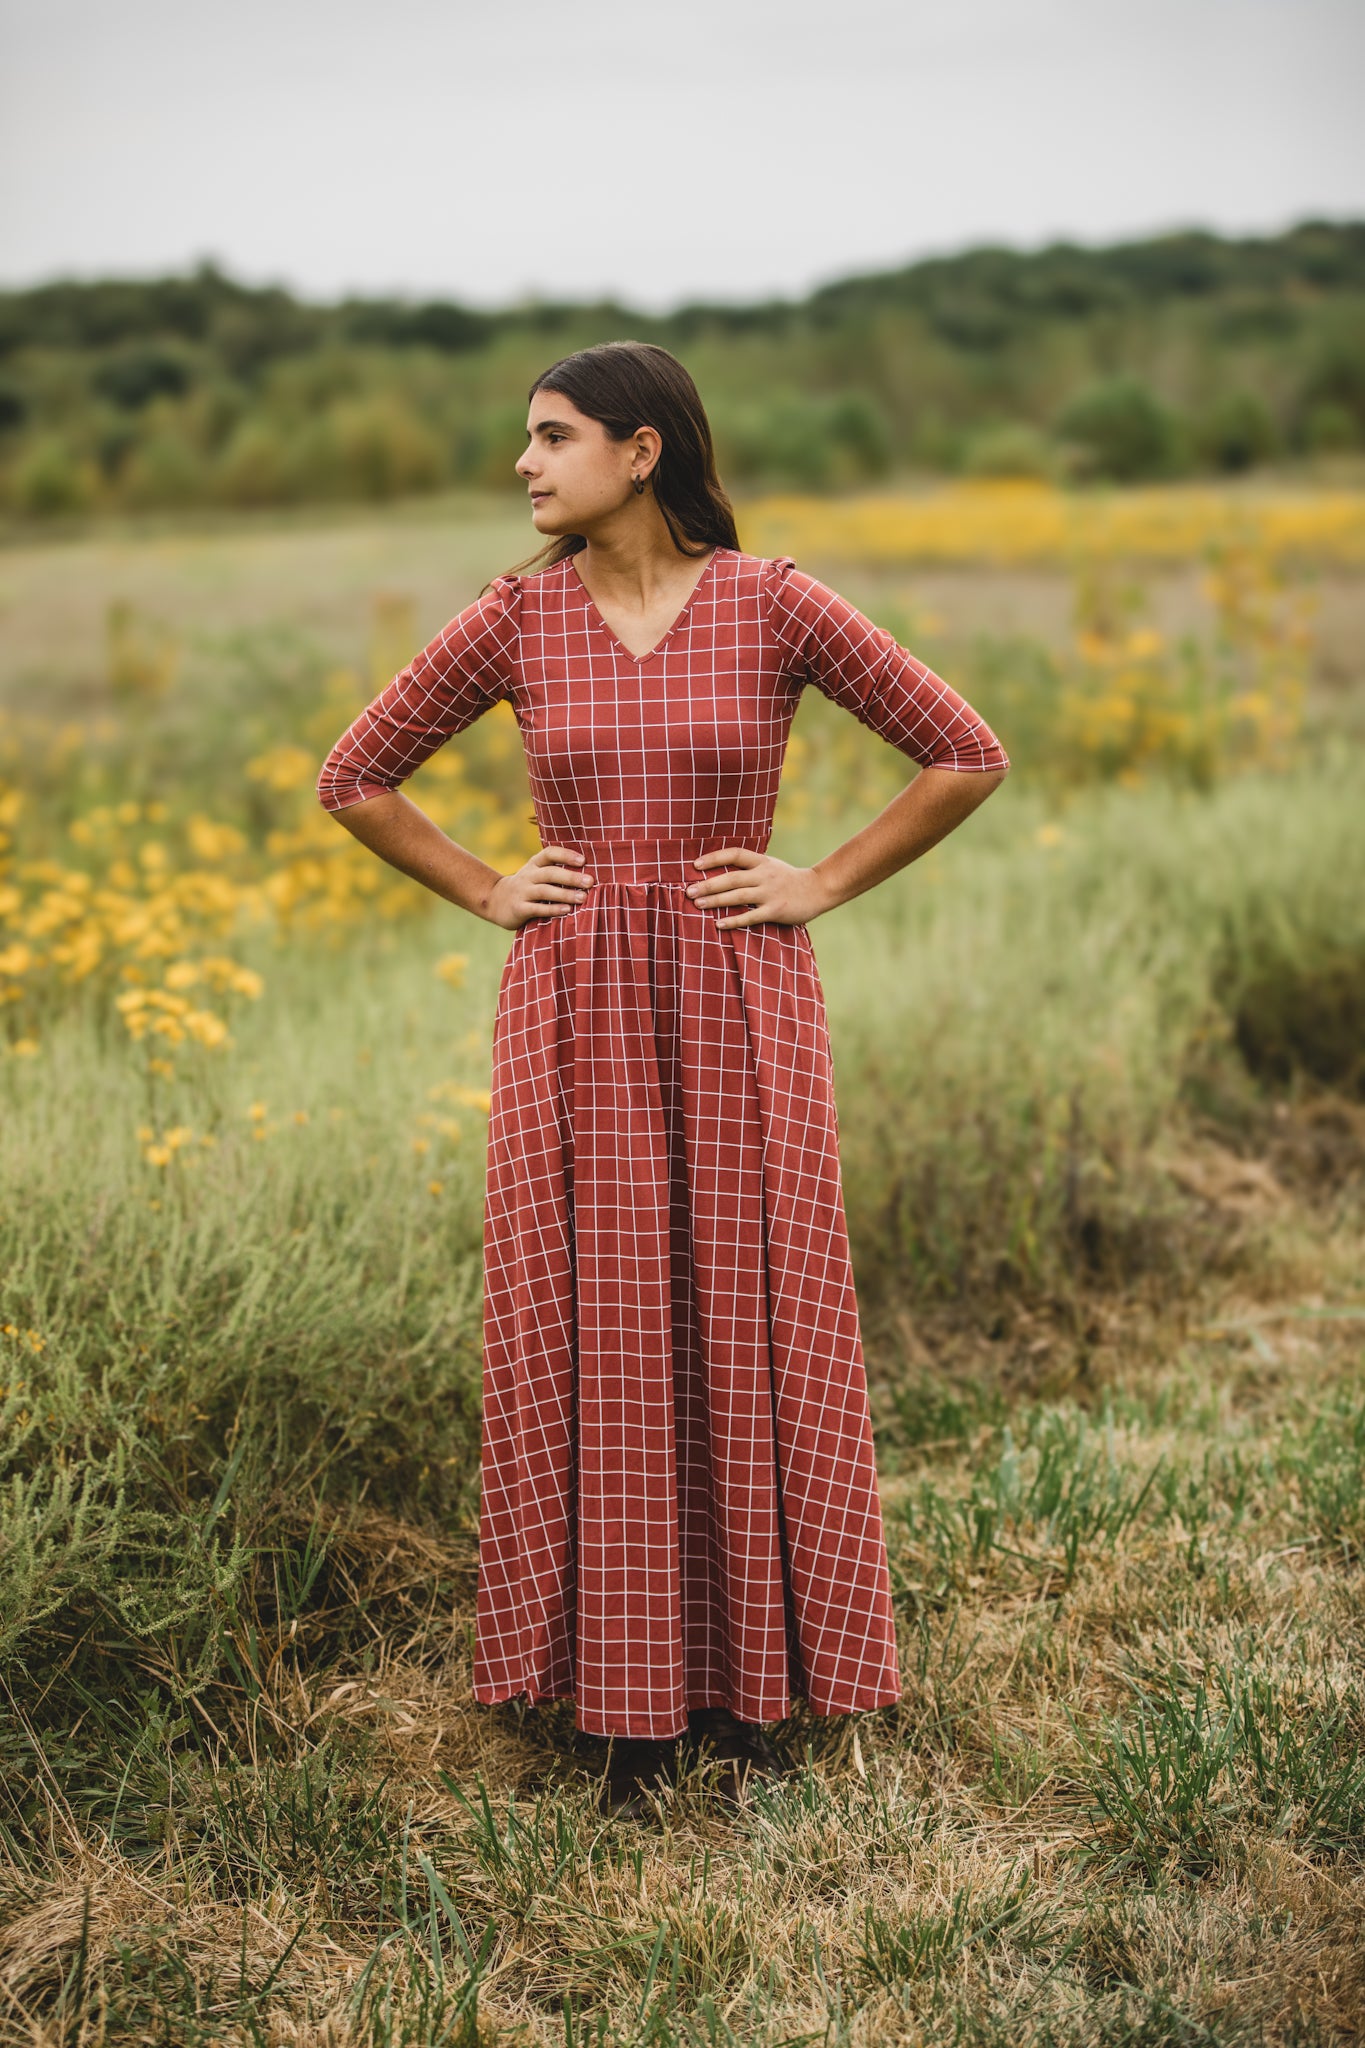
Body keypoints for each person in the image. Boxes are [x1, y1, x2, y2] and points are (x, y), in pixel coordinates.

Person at [317, 341, 1008, 1819]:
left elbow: (965, 753)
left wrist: (818, 877)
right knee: (601, 1326)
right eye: (525, 438)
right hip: (571, 1011)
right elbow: (354, 775)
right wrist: (488, 886)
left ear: (642, 453)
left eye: (551, 437)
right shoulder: (514, 621)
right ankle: (621, 1707)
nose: (523, 464)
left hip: (739, 994)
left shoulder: (773, 604)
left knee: (750, 1306)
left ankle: (755, 1685)